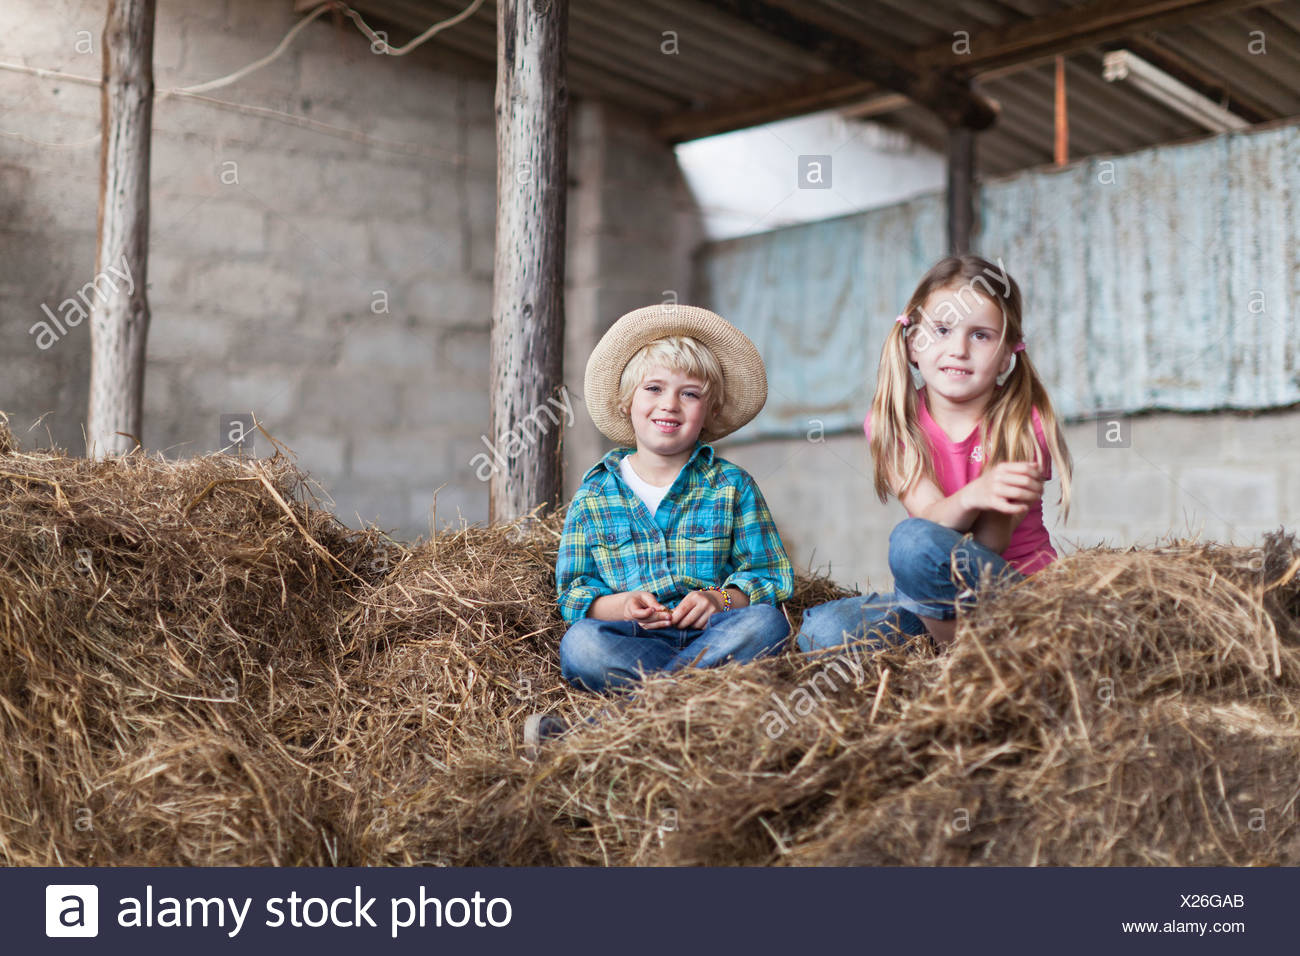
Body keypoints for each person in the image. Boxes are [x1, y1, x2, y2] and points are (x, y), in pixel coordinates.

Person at [525, 305, 794, 755]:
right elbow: (574, 594)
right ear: (627, 400)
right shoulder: (593, 497)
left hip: (716, 638)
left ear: (708, 412)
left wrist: (718, 600)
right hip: (633, 643)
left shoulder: (731, 486)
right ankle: (690, 707)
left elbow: (770, 576)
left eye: (690, 394)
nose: (670, 404)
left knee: (766, 625)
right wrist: (622, 606)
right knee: (582, 646)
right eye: (654, 388)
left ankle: (600, 730)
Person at [797, 254, 1073, 654]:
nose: (958, 349)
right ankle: (961, 644)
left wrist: (978, 499)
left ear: (1006, 354)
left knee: (911, 542)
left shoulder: (1021, 422)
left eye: (980, 335)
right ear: (913, 345)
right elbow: (929, 520)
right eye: (942, 330)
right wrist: (974, 495)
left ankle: (962, 666)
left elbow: (991, 541)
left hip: (1014, 592)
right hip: (935, 599)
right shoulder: (893, 421)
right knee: (821, 631)